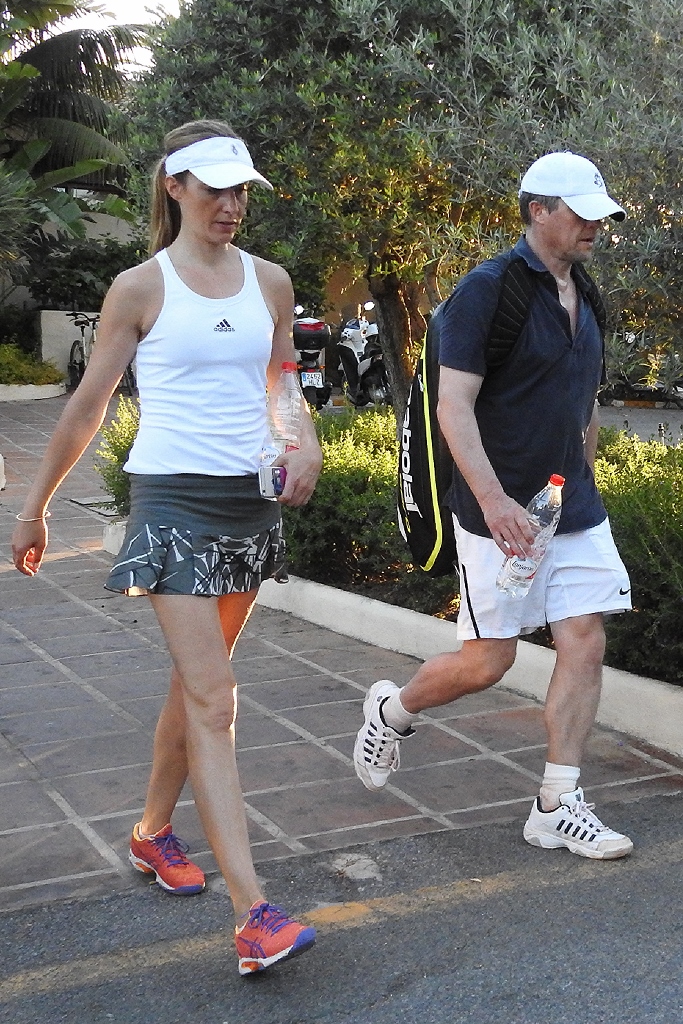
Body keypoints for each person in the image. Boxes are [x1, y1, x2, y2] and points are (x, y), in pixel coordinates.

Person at [12, 120, 323, 974]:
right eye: (214, 188)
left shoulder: (271, 282)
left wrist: (303, 440)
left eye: (241, 189)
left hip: (247, 506)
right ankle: (252, 915)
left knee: (197, 684)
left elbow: (281, 381)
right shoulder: (139, 288)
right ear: (174, 187)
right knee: (215, 694)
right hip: (171, 501)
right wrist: (35, 507)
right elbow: (87, 406)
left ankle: (152, 833)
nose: (231, 204)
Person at [354, 151, 634, 861]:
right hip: (497, 514)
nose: (593, 226)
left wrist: (584, 475)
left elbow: (581, 403)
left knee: (584, 637)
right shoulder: (488, 292)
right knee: (486, 662)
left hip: (570, 507)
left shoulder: (584, 292)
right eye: (580, 212)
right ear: (537, 210)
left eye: (598, 213)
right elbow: (453, 406)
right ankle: (392, 709)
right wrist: (494, 502)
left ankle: (555, 803)